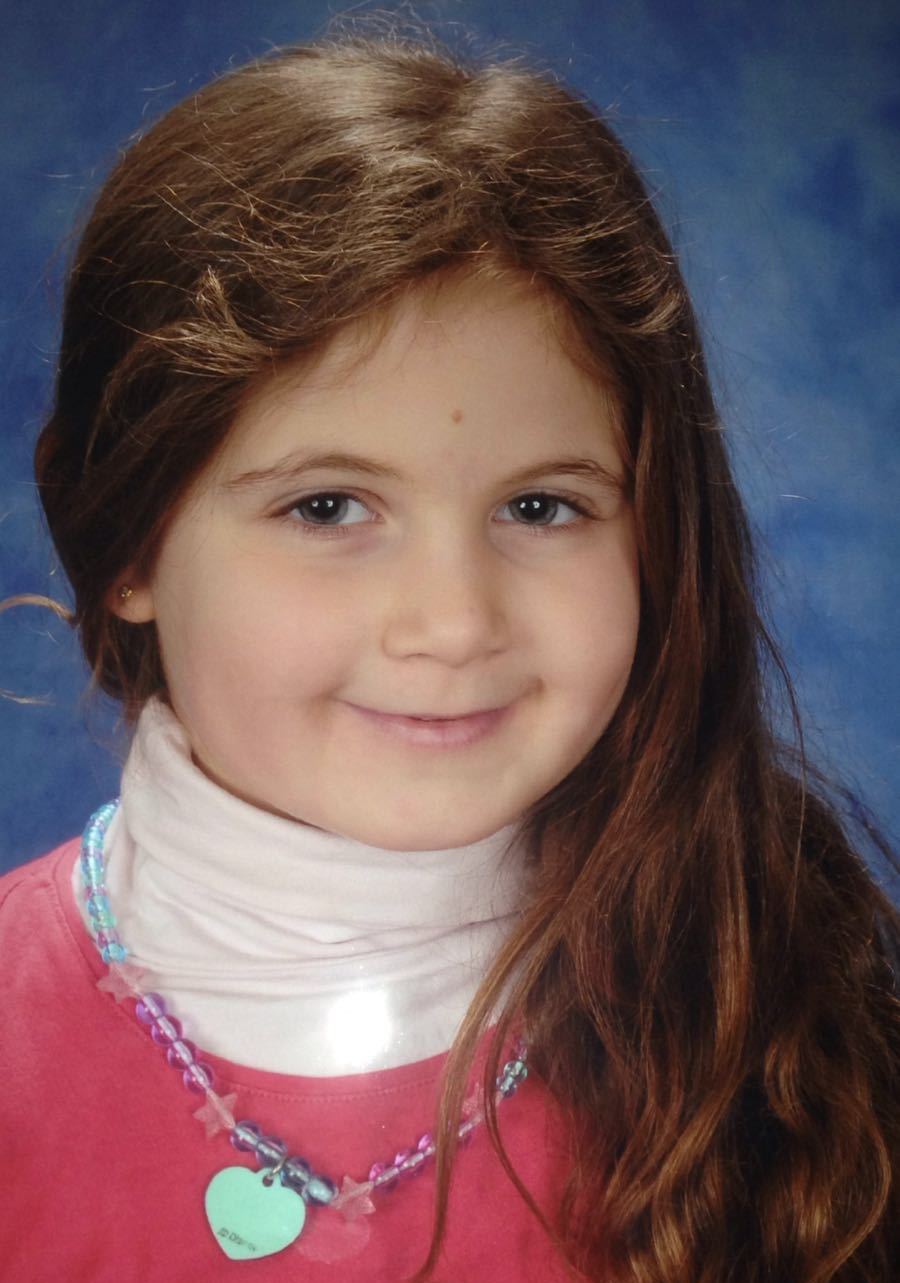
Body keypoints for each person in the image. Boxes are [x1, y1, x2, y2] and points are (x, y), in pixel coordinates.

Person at [1, 23, 898, 1283]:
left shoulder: (795, 1023)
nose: (455, 621)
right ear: (125, 542)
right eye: (327, 507)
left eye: (542, 505)